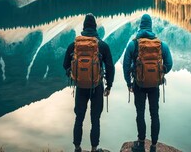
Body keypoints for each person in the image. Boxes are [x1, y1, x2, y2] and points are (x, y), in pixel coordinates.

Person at [63, 13, 115, 152]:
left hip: (80, 86)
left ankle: (77, 147)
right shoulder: (102, 46)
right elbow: (110, 67)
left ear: (84, 27)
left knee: (79, 118)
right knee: (95, 120)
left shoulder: (74, 45)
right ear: (95, 27)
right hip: (97, 86)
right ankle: (94, 148)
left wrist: (72, 73)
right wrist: (109, 86)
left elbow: (65, 64)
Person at [123, 14, 173, 152]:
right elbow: (169, 63)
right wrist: (160, 72)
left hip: (138, 84)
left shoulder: (134, 44)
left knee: (140, 113)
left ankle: (140, 143)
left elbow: (126, 65)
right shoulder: (161, 45)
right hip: (154, 85)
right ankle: (154, 145)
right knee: (154, 113)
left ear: (140, 25)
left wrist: (128, 83)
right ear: (150, 26)